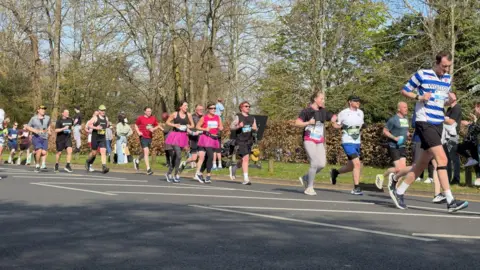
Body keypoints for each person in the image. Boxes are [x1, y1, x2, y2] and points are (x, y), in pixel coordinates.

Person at [389, 51, 468, 212]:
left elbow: (441, 100)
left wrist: (449, 101)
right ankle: (450, 201)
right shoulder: (422, 74)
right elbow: (405, 90)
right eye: (444, 66)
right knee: (442, 159)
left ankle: (398, 190)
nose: (446, 70)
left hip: (438, 122)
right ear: (437, 62)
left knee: (422, 163)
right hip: (424, 121)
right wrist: (419, 97)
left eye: (448, 67)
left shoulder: (447, 79)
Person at [295, 90, 337, 195]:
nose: (323, 101)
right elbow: (297, 123)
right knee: (314, 162)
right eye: (321, 99)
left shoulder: (323, 111)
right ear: (315, 99)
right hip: (309, 139)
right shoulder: (306, 111)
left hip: (319, 140)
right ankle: (309, 187)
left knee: (322, 164)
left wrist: (336, 118)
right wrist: (308, 122)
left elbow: (332, 117)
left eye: (324, 99)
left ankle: (306, 177)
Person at [330, 95, 365, 195]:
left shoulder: (360, 113)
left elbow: (361, 125)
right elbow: (337, 125)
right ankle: (356, 188)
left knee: (350, 166)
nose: (358, 102)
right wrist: (334, 123)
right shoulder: (343, 113)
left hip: (357, 142)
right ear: (350, 102)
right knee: (357, 164)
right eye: (356, 101)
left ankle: (335, 172)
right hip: (347, 141)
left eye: (359, 101)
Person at [375, 102, 409, 189]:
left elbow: (404, 130)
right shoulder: (393, 120)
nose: (406, 109)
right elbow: (385, 131)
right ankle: (382, 176)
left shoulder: (406, 119)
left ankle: (395, 188)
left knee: (403, 170)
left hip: (402, 145)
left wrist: (407, 133)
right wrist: (394, 138)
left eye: (407, 107)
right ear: (399, 109)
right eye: (404, 107)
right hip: (393, 145)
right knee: (398, 169)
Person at [228, 101, 258, 185]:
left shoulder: (252, 118)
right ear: (241, 108)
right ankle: (246, 179)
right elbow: (231, 127)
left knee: (244, 159)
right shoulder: (238, 117)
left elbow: (255, 127)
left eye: (249, 106)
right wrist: (239, 126)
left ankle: (234, 167)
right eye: (246, 106)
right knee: (246, 158)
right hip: (240, 140)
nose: (248, 107)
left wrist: (254, 128)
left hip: (249, 140)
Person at [164, 101, 194, 182]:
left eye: (187, 105)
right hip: (175, 136)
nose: (187, 107)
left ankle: (168, 173)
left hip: (183, 136)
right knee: (179, 155)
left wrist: (188, 126)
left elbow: (192, 125)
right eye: (185, 106)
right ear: (180, 107)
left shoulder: (189, 115)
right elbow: (167, 122)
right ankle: (176, 174)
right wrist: (175, 125)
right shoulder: (175, 114)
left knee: (175, 156)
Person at [195, 102, 224, 184]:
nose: (213, 110)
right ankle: (208, 176)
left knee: (208, 157)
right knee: (211, 156)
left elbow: (221, 127)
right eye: (211, 108)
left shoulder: (218, 117)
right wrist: (205, 129)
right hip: (206, 138)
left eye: (215, 108)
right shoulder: (204, 118)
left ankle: (199, 173)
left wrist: (221, 128)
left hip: (214, 138)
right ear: (208, 109)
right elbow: (197, 126)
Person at [134, 107, 162, 175]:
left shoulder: (153, 118)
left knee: (145, 153)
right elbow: (136, 125)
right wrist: (138, 132)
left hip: (149, 137)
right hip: (143, 136)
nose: (149, 112)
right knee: (146, 152)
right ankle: (148, 169)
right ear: (144, 111)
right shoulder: (140, 118)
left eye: (150, 111)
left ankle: (137, 160)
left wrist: (153, 129)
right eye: (148, 111)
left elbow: (157, 125)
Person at [26, 105, 51, 172]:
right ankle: (37, 166)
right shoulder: (33, 118)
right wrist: (34, 131)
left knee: (44, 152)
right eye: (42, 109)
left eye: (44, 109)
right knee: (39, 150)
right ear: (38, 110)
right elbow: (27, 127)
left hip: (44, 137)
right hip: (36, 137)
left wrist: (49, 131)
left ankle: (34, 153)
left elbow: (48, 125)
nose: (43, 110)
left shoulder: (47, 117)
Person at [85, 105, 110, 174]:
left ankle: (104, 166)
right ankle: (88, 161)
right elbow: (89, 125)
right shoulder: (95, 118)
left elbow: (107, 124)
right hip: (95, 137)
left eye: (104, 110)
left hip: (102, 137)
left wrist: (109, 125)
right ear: (99, 111)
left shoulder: (106, 118)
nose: (103, 112)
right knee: (94, 153)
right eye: (101, 110)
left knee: (103, 151)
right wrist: (96, 128)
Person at [443, 92, 461, 185]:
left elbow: (451, 122)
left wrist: (441, 117)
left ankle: (456, 179)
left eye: (450, 96)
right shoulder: (450, 108)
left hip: (453, 136)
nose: (448, 98)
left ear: (454, 98)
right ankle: (448, 178)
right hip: (447, 135)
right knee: (448, 157)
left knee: (453, 157)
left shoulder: (457, 108)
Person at [180, 104, 204, 171]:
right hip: (194, 139)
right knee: (194, 158)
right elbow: (186, 127)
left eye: (202, 109)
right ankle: (184, 163)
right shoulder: (192, 117)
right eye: (199, 109)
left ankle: (198, 173)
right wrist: (192, 133)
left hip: (201, 139)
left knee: (202, 156)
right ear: (196, 110)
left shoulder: (203, 117)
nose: (201, 111)